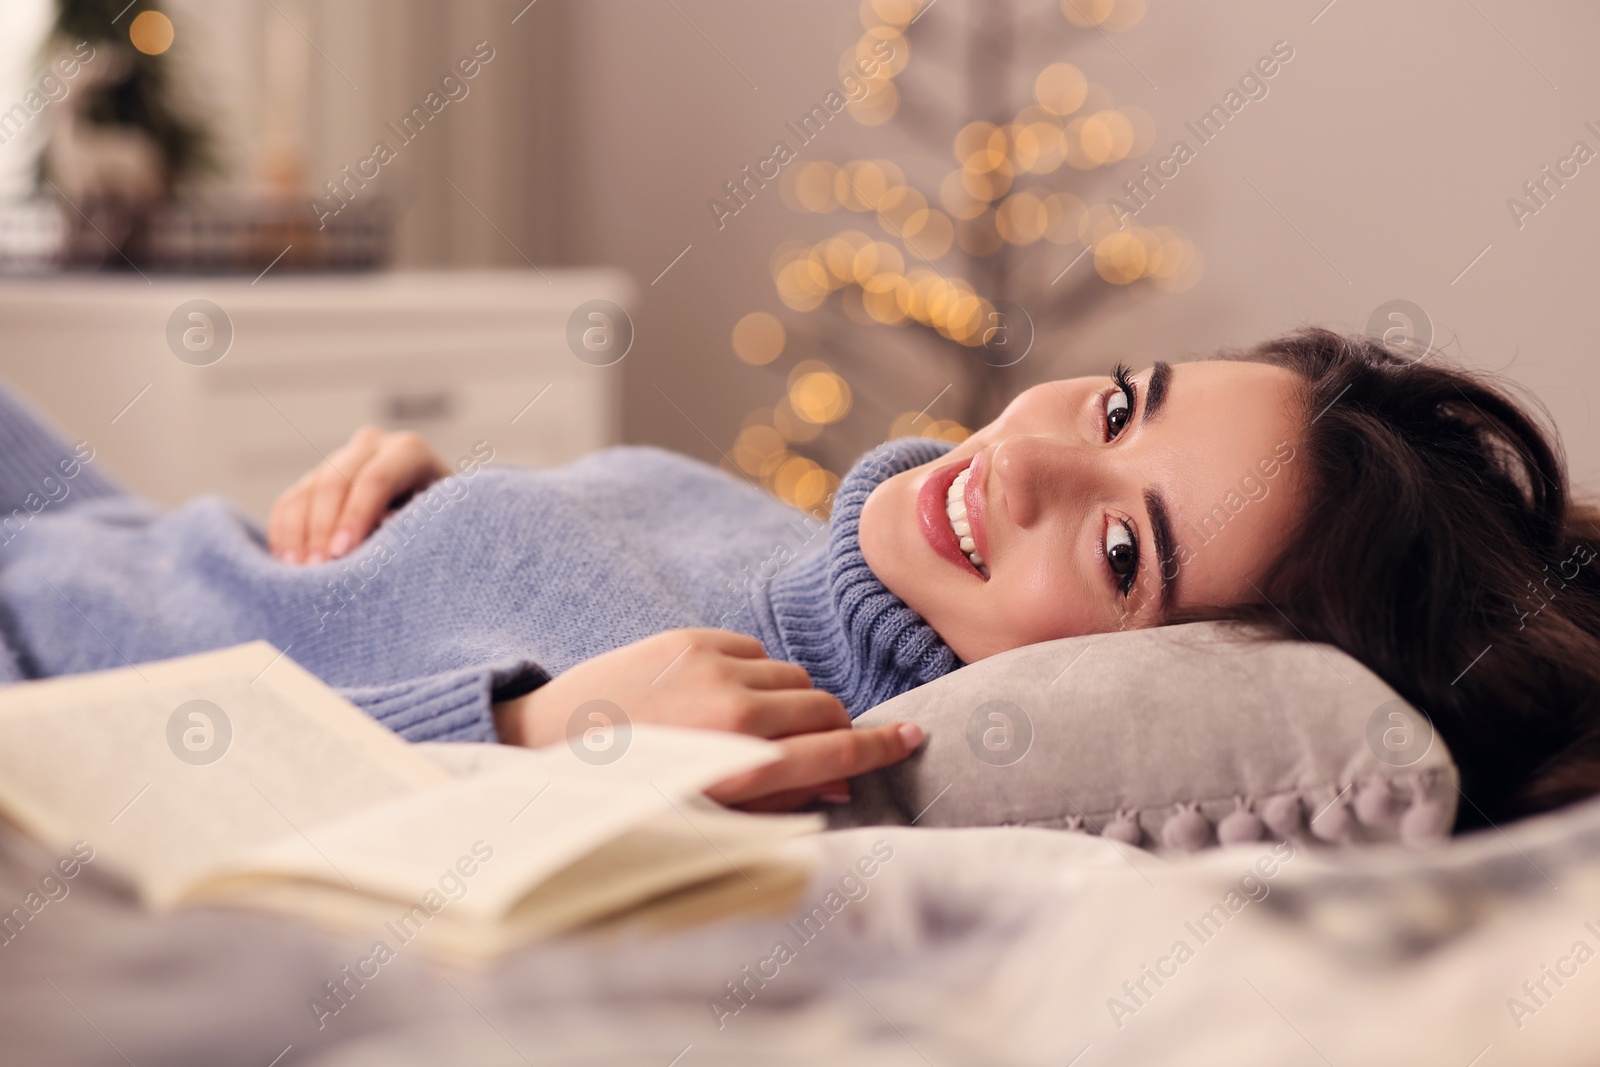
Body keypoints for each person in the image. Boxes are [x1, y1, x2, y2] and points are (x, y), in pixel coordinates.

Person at [1, 325, 1593, 825]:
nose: (1031, 462)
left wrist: (520, 756)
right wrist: (425, 511)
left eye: (1121, 551)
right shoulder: (761, 542)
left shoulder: (747, 730)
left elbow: (138, 817)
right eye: (1119, 404)